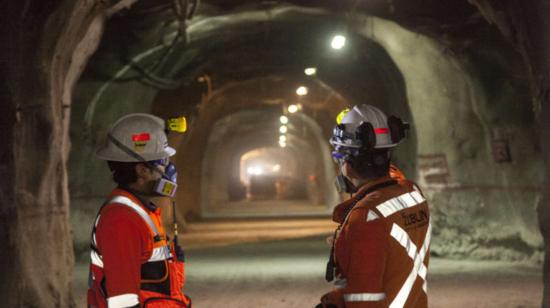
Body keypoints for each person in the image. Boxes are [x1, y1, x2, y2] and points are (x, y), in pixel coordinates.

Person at [318, 105, 430, 308]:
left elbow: (364, 299)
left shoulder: (366, 216)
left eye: (338, 157)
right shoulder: (412, 194)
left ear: (347, 163)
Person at [87, 113, 191, 308]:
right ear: (142, 170)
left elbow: (155, 285)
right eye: (163, 162)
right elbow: (122, 300)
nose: (169, 170)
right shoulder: (121, 220)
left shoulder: (140, 211)